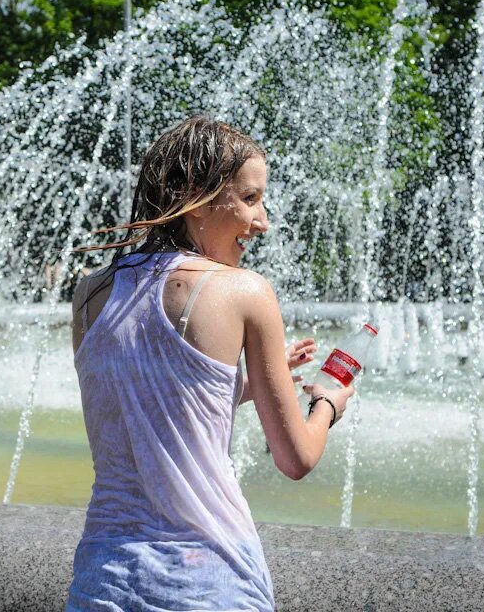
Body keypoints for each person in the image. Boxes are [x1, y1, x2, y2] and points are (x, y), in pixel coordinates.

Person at [67, 115, 355, 611]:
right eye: (249, 199)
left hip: (103, 581)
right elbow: (296, 459)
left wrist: (248, 383)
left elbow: (145, 407)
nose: (262, 221)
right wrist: (327, 404)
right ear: (195, 198)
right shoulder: (244, 291)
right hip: (210, 580)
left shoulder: (89, 293)